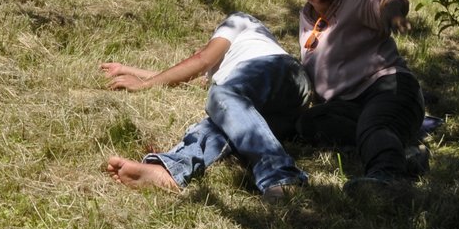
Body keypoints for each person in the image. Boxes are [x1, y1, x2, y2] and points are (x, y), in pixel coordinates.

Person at [101, 12, 310, 201]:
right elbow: (183, 78)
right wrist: (125, 69)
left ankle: (281, 175)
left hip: (279, 70)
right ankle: (173, 170)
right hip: (288, 106)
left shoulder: (238, 22)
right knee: (224, 123)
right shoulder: (223, 72)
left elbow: (202, 60)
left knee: (222, 94)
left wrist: (145, 85)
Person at [289, 0, 428, 194]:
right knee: (308, 123)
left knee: (375, 125)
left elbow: (387, 1)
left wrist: (394, 17)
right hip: (348, 105)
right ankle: (403, 154)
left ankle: (387, 177)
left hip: (387, 87)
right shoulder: (307, 18)